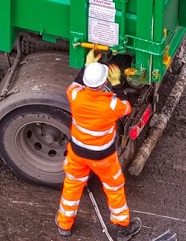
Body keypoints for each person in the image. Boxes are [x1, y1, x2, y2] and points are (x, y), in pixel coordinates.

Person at [56, 59, 142, 239]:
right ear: (104, 83)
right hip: (103, 158)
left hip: (78, 154)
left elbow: (75, 83)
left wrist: (86, 66)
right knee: (114, 188)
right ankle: (122, 228)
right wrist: (117, 83)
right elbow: (126, 107)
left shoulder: (75, 95)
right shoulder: (111, 105)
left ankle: (64, 225)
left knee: (72, 185)